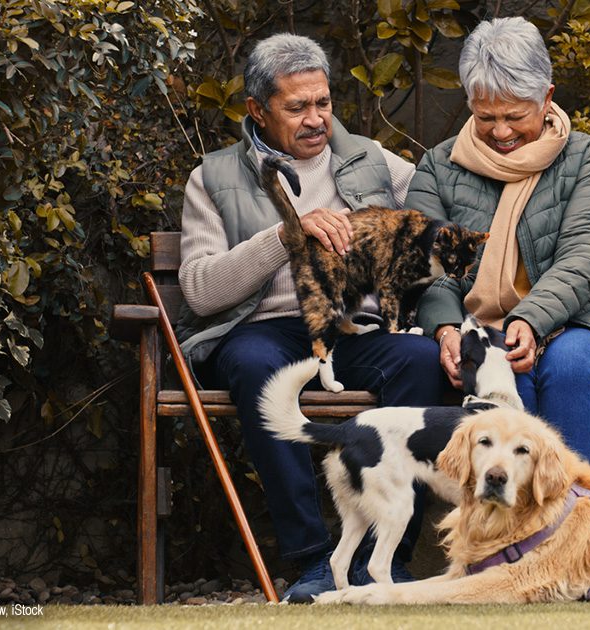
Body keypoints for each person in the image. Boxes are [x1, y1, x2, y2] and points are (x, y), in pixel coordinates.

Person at [175, 33, 443, 603]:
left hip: (350, 329)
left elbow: (440, 203)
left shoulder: (371, 160)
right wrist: (285, 236)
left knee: (422, 365)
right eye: (297, 107)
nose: (315, 119)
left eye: (323, 102)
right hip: (261, 331)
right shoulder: (215, 178)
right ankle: (313, 561)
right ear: (257, 110)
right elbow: (199, 292)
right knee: (255, 368)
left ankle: (385, 559)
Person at [408, 17, 590, 462]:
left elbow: (586, 255)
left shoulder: (586, 158)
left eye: (515, 116)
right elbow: (427, 266)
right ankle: (511, 526)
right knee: (505, 370)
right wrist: (445, 330)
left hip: (578, 323)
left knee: (567, 368)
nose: (500, 132)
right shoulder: (438, 167)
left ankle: (570, 517)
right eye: (485, 117)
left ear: (546, 97)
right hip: (478, 328)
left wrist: (530, 320)